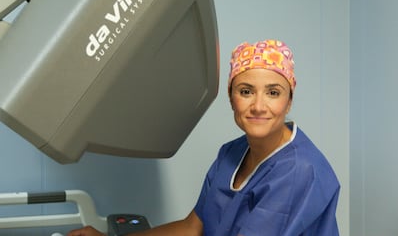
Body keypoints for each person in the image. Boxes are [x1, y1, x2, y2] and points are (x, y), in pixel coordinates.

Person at [67, 39, 340, 236]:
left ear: (289, 101)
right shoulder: (231, 154)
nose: (258, 106)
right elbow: (192, 227)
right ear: (231, 99)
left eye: (273, 92)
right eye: (246, 91)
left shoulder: (300, 172)